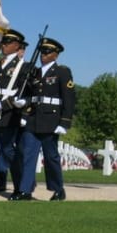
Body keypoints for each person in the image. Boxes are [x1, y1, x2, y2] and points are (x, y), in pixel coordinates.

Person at [13, 37, 76, 201]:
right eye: (42, 52)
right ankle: (25, 190)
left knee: (51, 157)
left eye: (48, 52)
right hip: (33, 119)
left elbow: (69, 98)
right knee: (28, 155)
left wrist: (65, 122)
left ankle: (58, 189)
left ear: (56, 55)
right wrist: (25, 109)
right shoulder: (35, 72)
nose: (43, 55)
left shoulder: (62, 71)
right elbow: (31, 96)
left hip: (51, 120)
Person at [0, 29, 32, 196]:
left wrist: (4, 105)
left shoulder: (25, 67)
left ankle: (20, 185)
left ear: (17, 46)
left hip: (10, 114)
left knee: (8, 151)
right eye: (3, 42)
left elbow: (24, 93)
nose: (4, 45)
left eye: (8, 43)